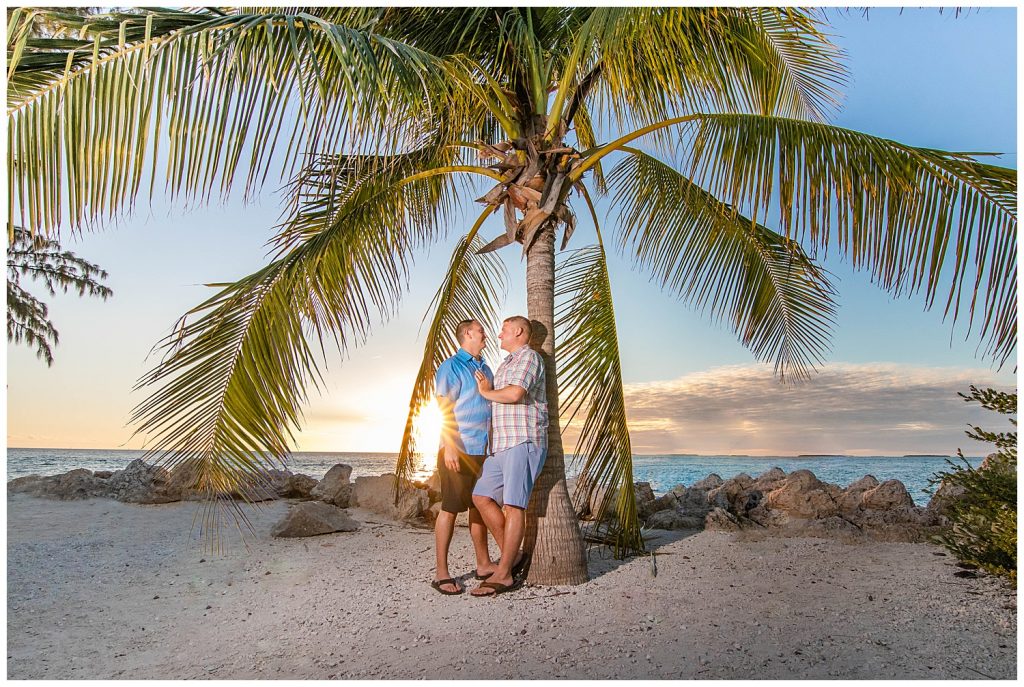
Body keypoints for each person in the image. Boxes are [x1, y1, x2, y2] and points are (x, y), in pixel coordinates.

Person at [470, 315, 548, 597]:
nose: (499, 335)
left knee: (514, 506)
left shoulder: (529, 358)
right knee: (480, 496)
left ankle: (503, 575)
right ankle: (511, 557)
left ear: (518, 331)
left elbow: (515, 394)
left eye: (503, 330)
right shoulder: (506, 363)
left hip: (523, 441)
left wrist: (486, 392)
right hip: (500, 445)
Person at [431, 319, 498, 595]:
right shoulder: (451, 366)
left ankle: (483, 564)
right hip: (457, 450)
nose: (485, 334)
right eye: (481, 330)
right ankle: (441, 573)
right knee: (449, 507)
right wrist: (449, 446)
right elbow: (442, 408)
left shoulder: (484, 367)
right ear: (467, 334)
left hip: (482, 450)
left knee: (477, 507)